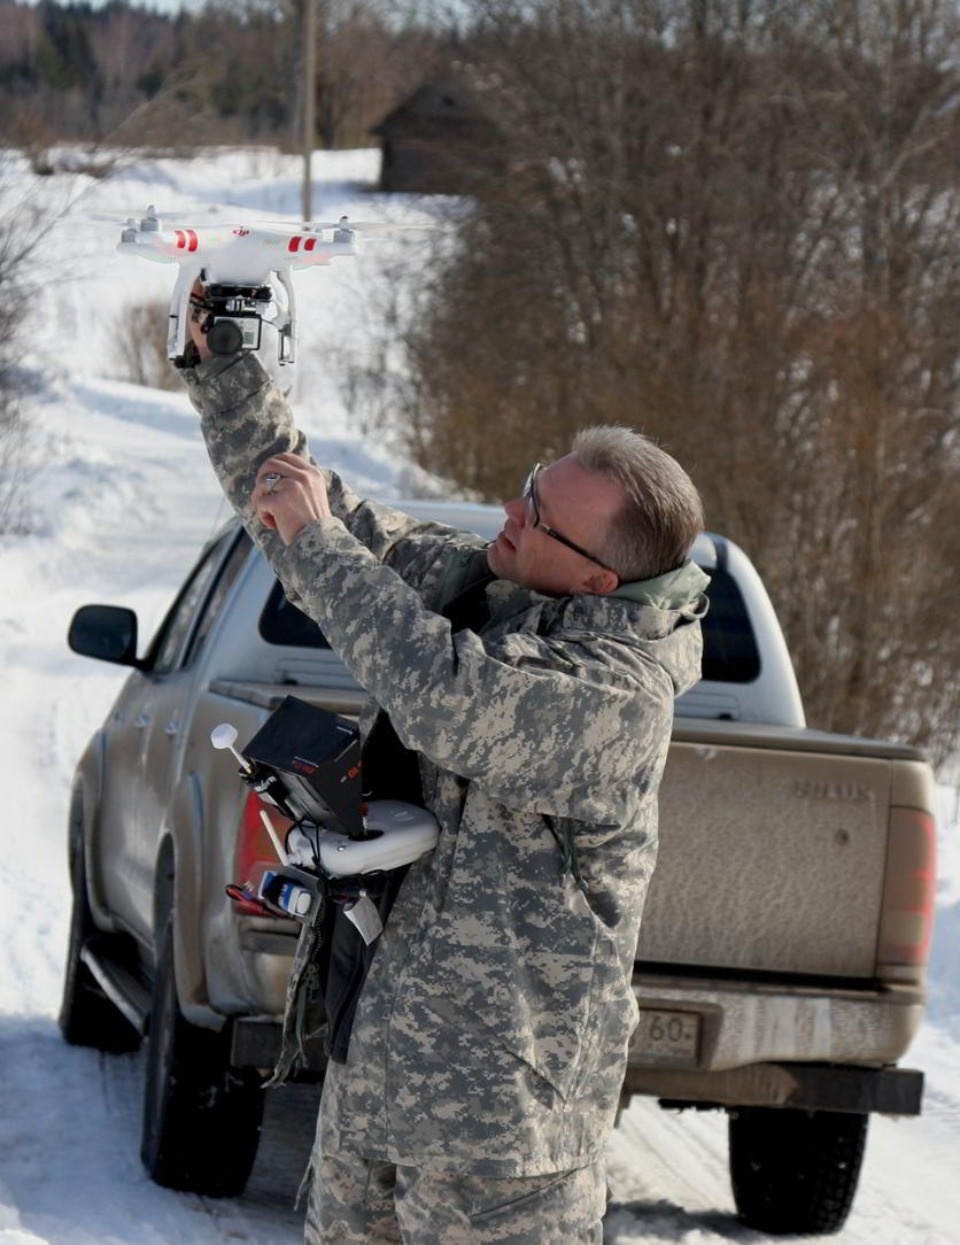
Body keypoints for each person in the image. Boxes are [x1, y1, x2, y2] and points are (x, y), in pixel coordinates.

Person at [178, 314, 709, 1244]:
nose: (507, 515)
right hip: (375, 1085)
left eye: (536, 516)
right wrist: (228, 361)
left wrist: (319, 547)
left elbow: (446, 696)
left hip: (501, 1144)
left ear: (596, 582)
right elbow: (309, 513)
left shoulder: (616, 698)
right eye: (525, 491)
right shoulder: (495, 590)